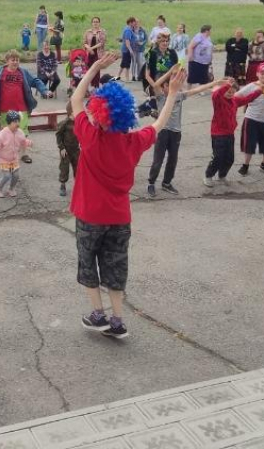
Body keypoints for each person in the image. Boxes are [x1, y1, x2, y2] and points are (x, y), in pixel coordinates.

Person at [70, 52, 186, 339]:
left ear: (99, 111)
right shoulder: (133, 142)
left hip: (89, 214)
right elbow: (158, 125)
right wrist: (171, 93)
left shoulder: (90, 136)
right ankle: (118, 320)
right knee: (116, 265)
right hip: (119, 217)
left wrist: (95, 68)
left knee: (89, 263)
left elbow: (75, 100)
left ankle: (98, 315)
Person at [147, 77, 220, 197]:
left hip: (176, 132)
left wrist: (215, 82)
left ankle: (166, 183)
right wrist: (171, 71)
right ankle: (151, 183)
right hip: (163, 131)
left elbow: (198, 89)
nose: (170, 88)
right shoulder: (160, 96)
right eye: (167, 86)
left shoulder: (179, 96)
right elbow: (156, 85)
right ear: (164, 87)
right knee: (158, 159)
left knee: (173, 159)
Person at [0, 49, 52, 164]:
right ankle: (3, 155)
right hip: (5, 109)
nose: (15, 62)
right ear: (7, 61)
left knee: (23, 132)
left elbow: (36, 81)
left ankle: (24, 154)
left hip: (21, 108)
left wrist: (44, 91)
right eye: (13, 60)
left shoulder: (22, 72)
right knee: (5, 133)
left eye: (17, 60)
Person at [203, 79, 264, 187]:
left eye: (233, 92)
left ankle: (222, 176)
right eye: (228, 91)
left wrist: (259, 91)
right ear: (224, 90)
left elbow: (247, 99)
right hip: (218, 135)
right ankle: (208, 176)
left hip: (229, 134)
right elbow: (216, 93)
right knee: (218, 157)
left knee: (229, 158)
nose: (230, 94)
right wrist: (227, 84)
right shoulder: (218, 100)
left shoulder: (235, 100)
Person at [0, 110, 32, 198]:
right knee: (7, 176)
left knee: (16, 175)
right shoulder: (2, 134)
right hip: (3, 158)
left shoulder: (19, 132)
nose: (17, 124)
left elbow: (23, 141)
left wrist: (28, 143)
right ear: (9, 123)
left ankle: (11, 188)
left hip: (14, 158)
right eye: (15, 122)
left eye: (18, 121)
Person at [55, 101, 79, 197]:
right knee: (64, 168)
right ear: (71, 112)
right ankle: (62, 185)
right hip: (66, 150)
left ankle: (78, 185)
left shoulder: (78, 122)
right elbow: (58, 135)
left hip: (76, 149)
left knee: (77, 167)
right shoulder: (64, 123)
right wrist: (61, 148)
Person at [187, 24, 214, 89]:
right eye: (210, 30)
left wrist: (211, 58)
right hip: (196, 60)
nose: (211, 32)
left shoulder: (208, 38)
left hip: (205, 62)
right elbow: (190, 46)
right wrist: (190, 56)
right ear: (206, 31)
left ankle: (201, 90)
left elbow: (209, 48)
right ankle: (188, 89)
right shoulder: (198, 37)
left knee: (203, 77)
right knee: (192, 75)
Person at [82, 17, 107, 89]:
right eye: (94, 22)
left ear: (99, 23)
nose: (95, 23)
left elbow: (102, 43)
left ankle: (96, 87)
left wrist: (92, 48)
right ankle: (88, 86)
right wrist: (88, 48)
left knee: (96, 69)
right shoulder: (88, 31)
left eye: (97, 22)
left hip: (98, 53)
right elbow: (84, 42)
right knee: (89, 69)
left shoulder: (102, 31)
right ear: (91, 23)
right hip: (89, 53)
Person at [118, 17, 137, 81]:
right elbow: (127, 41)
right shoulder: (128, 30)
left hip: (125, 49)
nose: (135, 23)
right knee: (127, 64)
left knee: (123, 63)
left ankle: (117, 76)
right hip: (127, 50)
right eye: (134, 22)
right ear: (130, 22)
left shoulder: (129, 29)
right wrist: (130, 50)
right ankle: (127, 78)